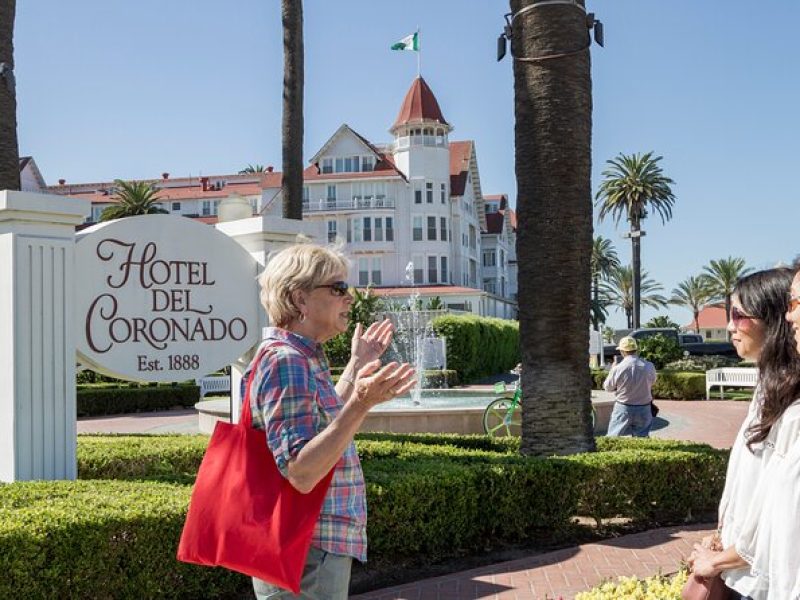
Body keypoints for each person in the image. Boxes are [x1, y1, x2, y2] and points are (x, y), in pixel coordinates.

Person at [243, 243, 417, 599]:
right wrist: (360, 404)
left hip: (309, 545)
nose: (349, 299)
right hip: (307, 547)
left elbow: (316, 427)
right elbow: (301, 471)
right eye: (338, 289)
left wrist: (356, 365)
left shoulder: (297, 357)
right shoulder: (286, 362)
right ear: (299, 299)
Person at [688, 268, 800, 599]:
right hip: (743, 575)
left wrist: (720, 560)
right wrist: (724, 535)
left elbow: (778, 511)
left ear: (773, 320)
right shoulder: (768, 390)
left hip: (761, 582)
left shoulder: (790, 407)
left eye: (739, 315)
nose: (729, 326)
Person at [603, 336, 657, 437]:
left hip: (623, 407)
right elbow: (653, 381)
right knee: (642, 440)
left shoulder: (618, 368)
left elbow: (608, 387)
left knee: (613, 438)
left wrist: (612, 369)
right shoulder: (649, 366)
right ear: (636, 350)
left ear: (622, 351)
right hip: (644, 407)